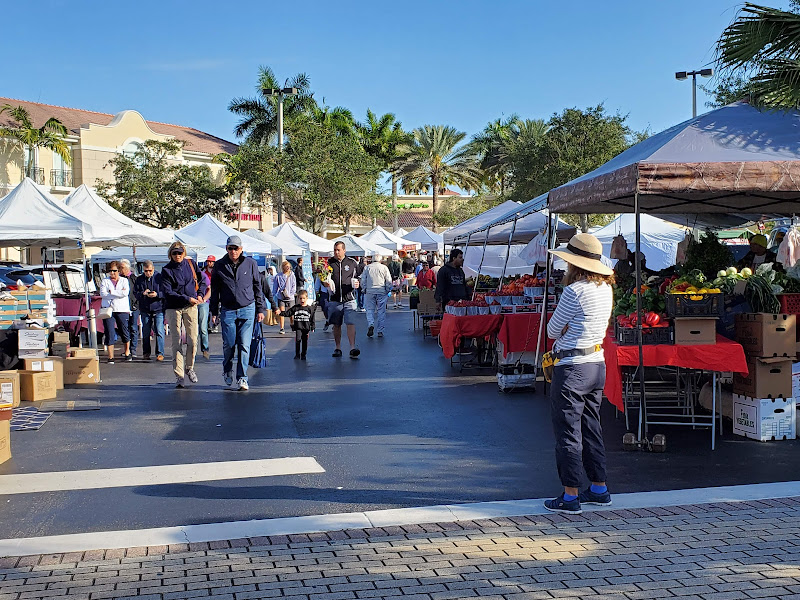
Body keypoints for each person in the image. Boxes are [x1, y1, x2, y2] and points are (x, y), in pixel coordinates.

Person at [544, 233, 615, 515]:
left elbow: (551, 331)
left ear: (575, 264)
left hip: (572, 367)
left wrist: (565, 329)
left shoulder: (574, 291)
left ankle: (570, 495)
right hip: (596, 363)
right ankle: (599, 487)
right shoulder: (605, 289)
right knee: (592, 427)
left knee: (568, 431)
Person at [210, 235, 266, 391]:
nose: (233, 251)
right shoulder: (219, 265)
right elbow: (215, 290)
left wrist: (260, 308)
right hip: (228, 309)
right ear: (226, 249)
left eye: (236, 248)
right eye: (230, 248)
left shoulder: (251, 264)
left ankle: (242, 377)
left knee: (244, 345)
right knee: (229, 344)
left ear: (241, 249)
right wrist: (213, 310)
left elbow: (257, 287)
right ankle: (227, 369)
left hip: (248, 308)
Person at [161, 241, 206, 388]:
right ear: (170, 254)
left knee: (193, 339)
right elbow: (168, 292)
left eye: (180, 252)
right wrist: (187, 298)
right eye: (174, 253)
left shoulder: (191, 264)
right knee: (177, 341)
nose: (178, 255)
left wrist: (200, 294)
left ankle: (189, 367)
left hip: (191, 306)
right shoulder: (166, 270)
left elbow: (202, 281)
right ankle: (179, 375)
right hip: (174, 307)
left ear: (184, 253)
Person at [323, 241, 361, 358]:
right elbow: (323, 278)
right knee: (336, 324)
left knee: (350, 322)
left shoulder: (352, 262)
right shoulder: (329, 263)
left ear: (344, 250)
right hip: (334, 299)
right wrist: (325, 283)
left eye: (338, 250)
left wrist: (358, 282)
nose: (336, 252)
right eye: (335, 250)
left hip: (349, 298)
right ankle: (338, 347)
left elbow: (359, 276)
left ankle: (352, 347)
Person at [99, 260, 131, 365]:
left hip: (121, 308)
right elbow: (103, 294)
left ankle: (127, 352)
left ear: (119, 271)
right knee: (109, 331)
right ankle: (111, 356)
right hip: (108, 309)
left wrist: (112, 292)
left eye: (114, 271)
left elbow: (125, 293)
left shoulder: (124, 280)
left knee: (124, 330)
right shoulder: (105, 281)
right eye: (110, 271)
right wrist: (118, 293)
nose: (112, 273)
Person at [134, 260, 165, 361]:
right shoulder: (139, 279)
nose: (148, 273)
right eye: (146, 271)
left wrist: (157, 294)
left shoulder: (159, 278)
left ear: (153, 269)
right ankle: (146, 353)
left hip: (158, 308)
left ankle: (160, 353)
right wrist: (143, 294)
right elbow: (135, 293)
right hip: (145, 309)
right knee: (146, 332)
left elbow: (166, 292)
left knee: (159, 331)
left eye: (150, 271)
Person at [360, 256, 393, 338]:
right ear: (380, 260)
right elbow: (388, 280)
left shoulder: (367, 268)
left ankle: (371, 323)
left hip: (370, 291)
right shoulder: (384, 268)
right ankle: (380, 330)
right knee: (381, 311)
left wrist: (364, 289)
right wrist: (388, 290)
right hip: (381, 291)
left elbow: (363, 280)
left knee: (369, 309)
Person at [281, 289, 316, 360]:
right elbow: (288, 313)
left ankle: (303, 354)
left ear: (307, 298)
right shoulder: (296, 308)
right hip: (298, 327)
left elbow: (312, 318)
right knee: (298, 340)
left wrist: (313, 326)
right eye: (300, 298)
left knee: (304, 341)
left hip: (306, 327)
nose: (302, 300)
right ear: (298, 299)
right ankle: (297, 354)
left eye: (303, 298)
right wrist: (279, 312)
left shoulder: (309, 309)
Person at [119, 259, 139, 361]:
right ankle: (126, 349)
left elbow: (137, 292)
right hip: (123, 307)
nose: (120, 270)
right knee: (124, 328)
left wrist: (136, 304)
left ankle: (133, 349)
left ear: (127, 268)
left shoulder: (133, 278)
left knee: (133, 327)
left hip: (133, 307)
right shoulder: (119, 279)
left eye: (122, 268)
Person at [273, 261, 297, 334]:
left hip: (290, 297)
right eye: (286, 266)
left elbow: (294, 286)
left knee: (291, 313)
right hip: (281, 296)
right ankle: (282, 328)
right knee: (282, 312)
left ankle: (292, 323)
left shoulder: (292, 275)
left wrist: (290, 294)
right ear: (283, 267)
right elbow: (275, 287)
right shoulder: (278, 276)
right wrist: (274, 295)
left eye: (289, 267)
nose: (288, 268)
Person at [197, 255, 214, 360]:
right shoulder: (202, 273)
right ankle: (193, 350)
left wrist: (204, 299)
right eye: (208, 261)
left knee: (203, 327)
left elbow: (210, 288)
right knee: (193, 329)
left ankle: (205, 349)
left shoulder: (203, 275)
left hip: (204, 302)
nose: (209, 263)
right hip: (192, 303)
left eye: (211, 261)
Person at [314, 265, 330, 332]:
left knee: (333, 307)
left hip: (332, 292)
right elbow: (317, 283)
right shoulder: (320, 275)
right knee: (324, 307)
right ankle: (327, 319)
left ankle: (333, 322)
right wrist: (316, 291)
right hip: (324, 292)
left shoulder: (331, 273)